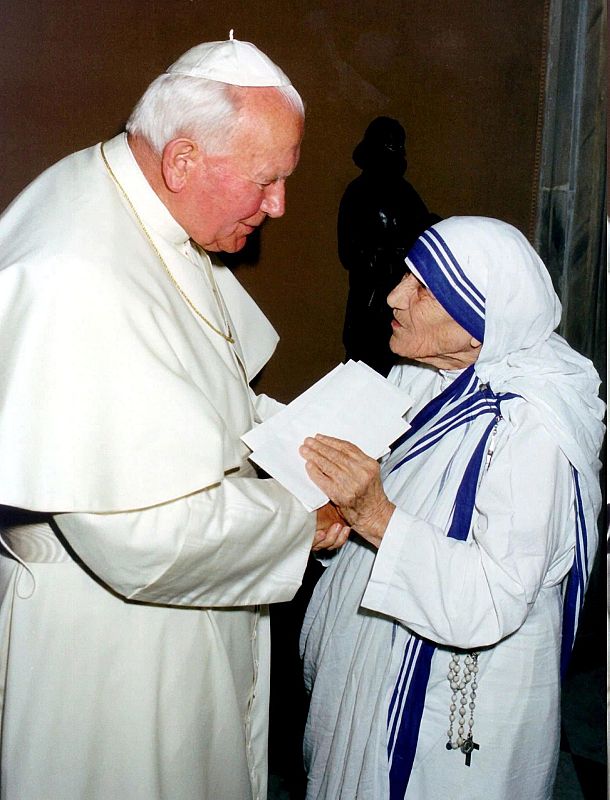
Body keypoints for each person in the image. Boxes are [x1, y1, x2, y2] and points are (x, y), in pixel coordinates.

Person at [0, 35, 341, 800]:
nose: (279, 206)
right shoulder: (76, 276)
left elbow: (190, 384)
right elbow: (138, 537)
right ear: (183, 161)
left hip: (164, 624)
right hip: (111, 654)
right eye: (267, 181)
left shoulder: (140, 206)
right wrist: (299, 519)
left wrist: (302, 442)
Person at [299, 216, 605, 799]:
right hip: (378, 650)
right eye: (406, 275)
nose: (394, 295)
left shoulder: (531, 429)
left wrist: (373, 515)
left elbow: (492, 597)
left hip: (459, 692)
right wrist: (341, 515)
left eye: (422, 288)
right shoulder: (423, 373)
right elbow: (400, 488)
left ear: (476, 330)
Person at [338, 116, 437, 376]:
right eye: (388, 146)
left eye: (397, 147)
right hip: (370, 302)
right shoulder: (357, 193)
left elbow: (422, 235)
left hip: (402, 300)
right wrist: (382, 254)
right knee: (365, 365)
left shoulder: (406, 193)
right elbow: (349, 252)